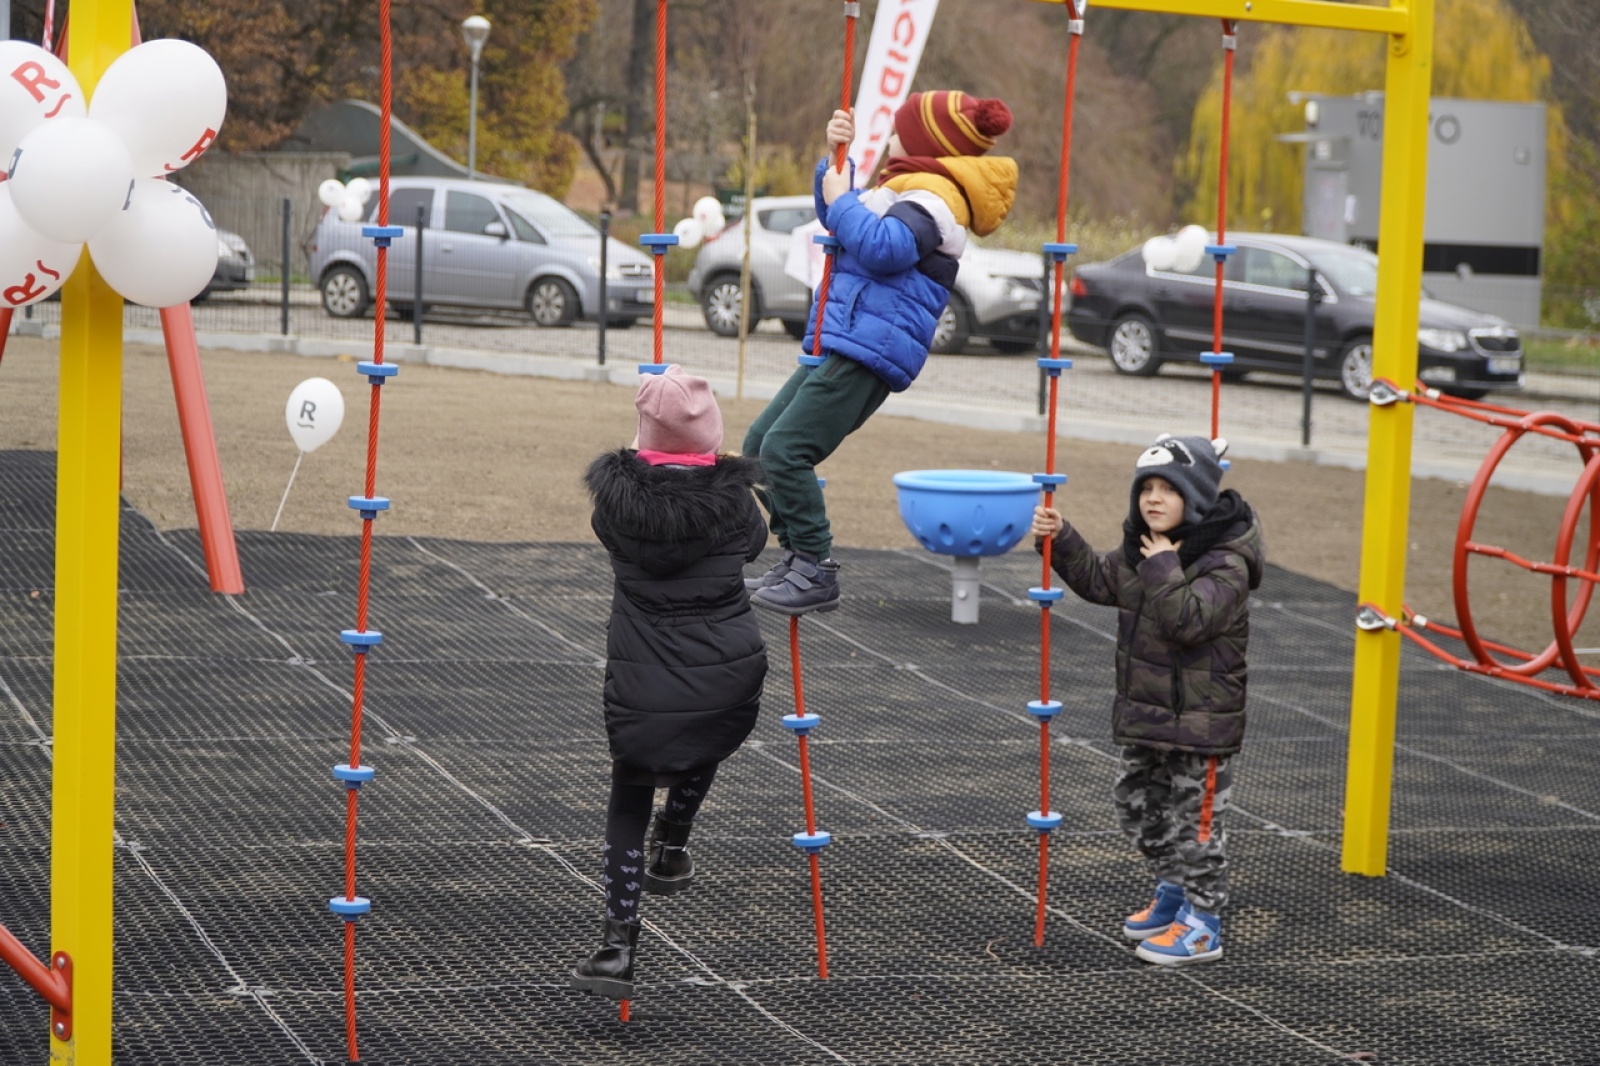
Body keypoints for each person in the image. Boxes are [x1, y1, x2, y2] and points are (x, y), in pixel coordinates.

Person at [743, 91, 1019, 615]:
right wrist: (834, 165)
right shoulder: (907, 187)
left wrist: (845, 201)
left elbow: (883, 248)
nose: (890, 137)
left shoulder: (933, 201)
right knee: (759, 446)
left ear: (922, 141)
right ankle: (796, 556)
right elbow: (839, 220)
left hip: (871, 346)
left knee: (784, 449)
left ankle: (814, 566)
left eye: (899, 130)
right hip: (848, 334)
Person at [570, 365, 768, 1001]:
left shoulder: (615, 510)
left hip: (642, 677)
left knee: (630, 789)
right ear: (711, 438)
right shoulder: (737, 505)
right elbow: (758, 542)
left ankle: (616, 945)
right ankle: (674, 844)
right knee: (702, 737)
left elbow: (611, 530)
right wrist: (724, 473)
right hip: (726, 675)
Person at [1030, 434, 1265, 965]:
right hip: (1148, 718)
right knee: (1137, 807)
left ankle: (1204, 924)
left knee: (1196, 826)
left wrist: (1163, 567)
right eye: (1146, 489)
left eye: (1167, 490)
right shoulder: (1145, 550)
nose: (1152, 500)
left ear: (1197, 498)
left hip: (1202, 728)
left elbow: (1190, 621)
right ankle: (1174, 893)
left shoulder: (1227, 562)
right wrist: (1062, 538)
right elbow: (1098, 580)